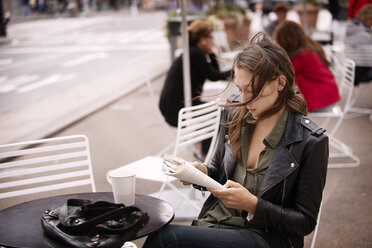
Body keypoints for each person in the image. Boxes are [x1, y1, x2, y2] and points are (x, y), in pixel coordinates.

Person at [144, 33, 328, 248]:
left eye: (252, 91)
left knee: (166, 239)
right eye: (240, 90)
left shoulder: (309, 140)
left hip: (265, 237)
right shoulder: (235, 115)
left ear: (280, 82)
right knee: (155, 227)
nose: (243, 100)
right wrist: (200, 173)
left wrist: (253, 205)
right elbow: (218, 170)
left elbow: (305, 222)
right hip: (215, 223)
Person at [159, 20, 231, 158]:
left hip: (175, 105)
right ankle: (204, 152)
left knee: (218, 112)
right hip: (178, 110)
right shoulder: (195, 54)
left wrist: (211, 53)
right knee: (220, 114)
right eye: (211, 37)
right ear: (202, 39)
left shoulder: (193, 52)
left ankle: (202, 148)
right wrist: (237, 71)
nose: (213, 40)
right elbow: (215, 75)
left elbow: (215, 73)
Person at [273, 20, 340, 112]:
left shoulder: (302, 55)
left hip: (321, 101)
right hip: (327, 96)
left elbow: (281, 72)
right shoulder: (306, 48)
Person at [344, 4, 372, 85]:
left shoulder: (351, 28)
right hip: (360, 74)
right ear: (368, 18)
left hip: (349, 72)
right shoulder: (364, 35)